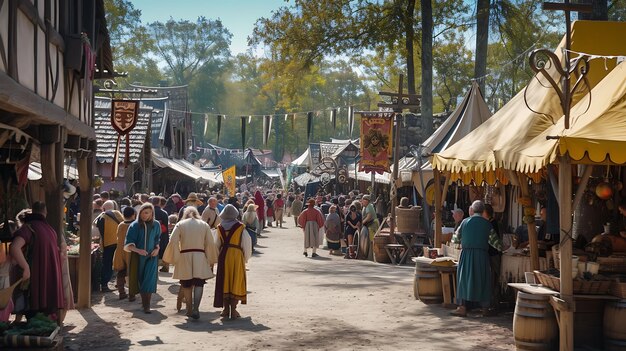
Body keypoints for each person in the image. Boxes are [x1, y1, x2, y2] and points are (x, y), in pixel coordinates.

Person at [10, 202, 65, 320]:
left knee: (34, 317)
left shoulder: (29, 227)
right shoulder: (50, 230)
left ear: (32, 211)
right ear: (45, 212)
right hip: (47, 282)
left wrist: (25, 268)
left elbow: (14, 246)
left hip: (34, 283)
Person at [163, 207, 219, 319]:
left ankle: (189, 309)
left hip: (184, 256)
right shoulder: (204, 225)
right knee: (199, 283)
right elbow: (210, 243)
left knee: (186, 283)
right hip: (200, 256)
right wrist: (210, 258)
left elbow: (173, 241)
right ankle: (196, 308)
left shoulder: (180, 224)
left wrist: (174, 257)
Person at [451, 200, 502, 317]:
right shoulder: (487, 224)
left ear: (472, 210)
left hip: (466, 255)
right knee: (483, 280)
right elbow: (497, 244)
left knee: (463, 280)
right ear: (483, 210)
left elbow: (455, 240)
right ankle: (485, 309)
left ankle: (462, 307)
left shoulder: (464, 222)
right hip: (482, 256)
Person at [214, 204, 252, 319]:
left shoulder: (219, 227)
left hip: (224, 256)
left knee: (224, 281)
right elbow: (246, 244)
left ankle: (226, 309)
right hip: (236, 256)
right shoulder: (240, 227)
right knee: (236, 280)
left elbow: (216, 244)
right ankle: (234, 310)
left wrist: (218, 258)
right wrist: (245, 258)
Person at [124, 203, 161, 313]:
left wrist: (157, 249)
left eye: (147, 213)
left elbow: (157, 239)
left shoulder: (156, 224)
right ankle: (142, 302)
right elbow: (128, 244)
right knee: (140, 280)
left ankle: (147, 306)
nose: (145, 215)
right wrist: (138, 250)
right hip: (138, 258)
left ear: (152, 213)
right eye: (143, 212)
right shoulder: (134, 225)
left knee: (148, 281)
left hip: (151, 257)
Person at [96, 200, 124, 292]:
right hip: (116, 242)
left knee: (107, 264)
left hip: (106, 244)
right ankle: (118, 284)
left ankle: (104, 284)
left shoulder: (100, 216)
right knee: (117, 263)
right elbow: (124, 224)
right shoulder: (116, 213)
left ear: (103, 208)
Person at [113, 206, 135, 300]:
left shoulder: (121, 225)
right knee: (133, 273)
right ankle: (132, 294)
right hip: (131, 251)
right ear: (133, 215)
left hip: (120, 250)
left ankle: (121, 292)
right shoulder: (135, 225)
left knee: (121, 272)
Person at [152, 196, 170, 273]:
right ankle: (165, 266)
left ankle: (153, 266)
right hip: (162, 234)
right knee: (164, 251)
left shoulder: (150, 212)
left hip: (152, 234)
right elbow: (166, 225)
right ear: (159, 202)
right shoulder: (164, 213)